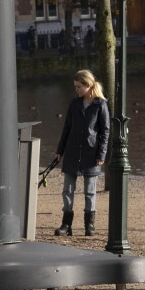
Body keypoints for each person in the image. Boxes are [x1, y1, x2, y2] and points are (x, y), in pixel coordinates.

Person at [53, 69, 110, 238]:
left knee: (90, 191)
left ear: (88, 85)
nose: (76, 89)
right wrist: (59, 151)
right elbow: (67, 129)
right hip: (71, 152)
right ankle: (66, 224)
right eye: (75, 86)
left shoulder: (101, 105)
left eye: (78, 86)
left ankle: (89, 225)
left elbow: (105, 131)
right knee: (67, 190)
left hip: (91, 153)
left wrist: (102, 154)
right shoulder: (74, 104)